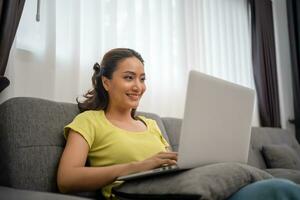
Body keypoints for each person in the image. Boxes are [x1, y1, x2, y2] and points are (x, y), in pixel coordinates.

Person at [57, 48, 300, 200]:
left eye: (142, 79)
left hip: (185, 190)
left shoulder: (150, 124)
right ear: (106, 83)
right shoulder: (89, 121)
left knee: (281, 189)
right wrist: (136, 166)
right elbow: (67, 179)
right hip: (134, 194)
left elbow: (166, 166)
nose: (138, 86)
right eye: (129, 78)